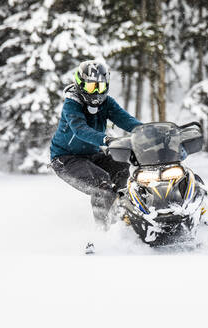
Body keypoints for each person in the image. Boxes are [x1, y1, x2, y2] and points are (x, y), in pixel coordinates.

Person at [50, 60, 142, 229]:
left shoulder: (107, 102)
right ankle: (102, 232)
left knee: (122, 168)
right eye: (92, 87)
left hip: (92, 155)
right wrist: (106, 140)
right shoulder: (72, 104)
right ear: (80, 84)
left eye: (100, 87)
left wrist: (146, 131)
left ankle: (125, 220)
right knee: (102, 185)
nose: (97, 93)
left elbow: (126, 120)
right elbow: (80, 130)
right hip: (65, 158)